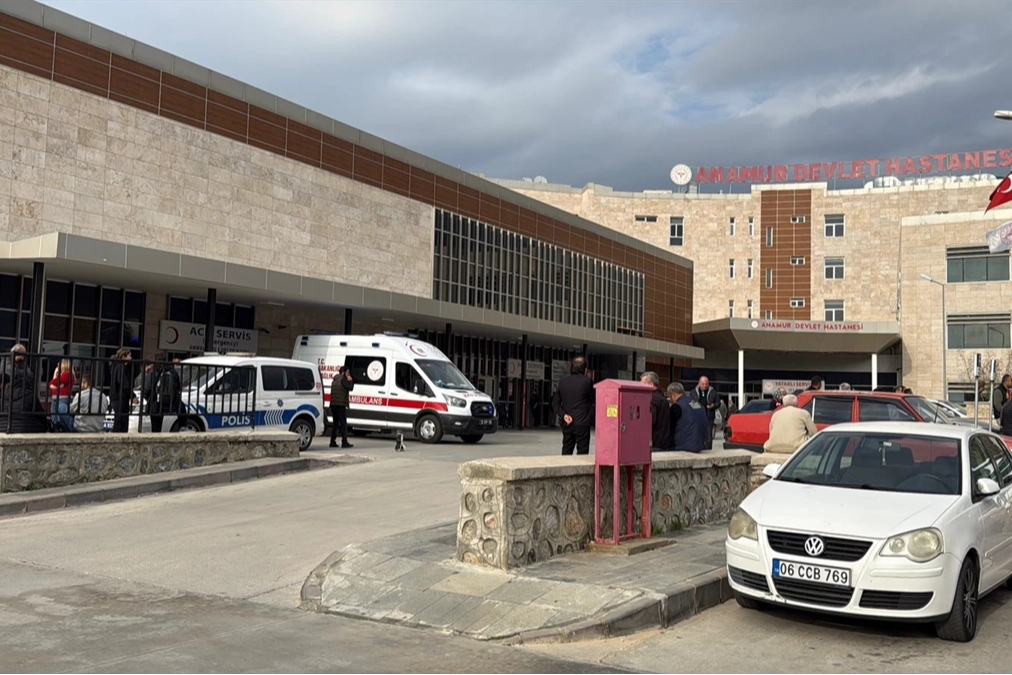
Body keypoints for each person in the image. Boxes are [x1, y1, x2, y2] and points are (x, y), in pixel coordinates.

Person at [551, 356, 594, 455]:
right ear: (585, 369)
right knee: (582, 453)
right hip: (582, 423)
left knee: (566, 450)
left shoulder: (563, 381)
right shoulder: (587, 381)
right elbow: (593, 399)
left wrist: (564, 415)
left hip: (567, 422)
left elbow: (555, 403)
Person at [0, 344, 46, 433]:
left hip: (22, 390)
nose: (24, 357)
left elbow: (30, 375)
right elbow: (11, 373)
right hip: (9, 390)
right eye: (23, 354)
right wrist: (22, 374)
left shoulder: (22, 362)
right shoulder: (6, 360)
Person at [667, 382, 707, 452]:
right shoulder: (699, 404)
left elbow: (670, 427)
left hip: (683, 446)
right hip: (700, 445)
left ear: (673, 395)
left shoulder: (677, 406)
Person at [640, 371, 670, 452]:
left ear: (650, 384)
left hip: (654, 441)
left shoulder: (651, 399)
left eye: (643, 383)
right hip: (663, 441)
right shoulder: (663, 398)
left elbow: (650, 420)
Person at [109, 348, 135, 433]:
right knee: (121, 422)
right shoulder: (121, 367)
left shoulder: (115, 366)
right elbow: (124, 384)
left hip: (116, 398)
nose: (131, 357)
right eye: (129, 355)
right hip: (121, 398)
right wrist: (132, 396)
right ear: (123, 356)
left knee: (119, 420)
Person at [329, 365, 354, 448]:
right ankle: (344, 442)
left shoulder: (335, 380)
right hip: (340, 404)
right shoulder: (343, 380)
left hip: (333, 404)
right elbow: (350, 387)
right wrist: (351, 381)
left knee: (335, 423)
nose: (348, 374)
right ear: (343, 372)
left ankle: (332, 441)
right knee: (343, 424)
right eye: (347, 372)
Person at [690, 376, 718, 449]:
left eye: (706, 384)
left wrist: (713, 405)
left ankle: (708, 449)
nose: (704, 386)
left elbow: (718, 403)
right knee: (697, 433)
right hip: (697, 417)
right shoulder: (693, 392)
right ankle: (698, 447)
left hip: (709, 416)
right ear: (699, 383)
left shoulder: (713, 392)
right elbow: (690, 402)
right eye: (703, 384)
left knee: (708, 434)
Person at [48, 358, 76, 431]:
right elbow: (51, 384)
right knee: (55, 418)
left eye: (60, 364)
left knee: (62, 416)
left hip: (63, 398)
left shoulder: (68, 374)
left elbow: (54, 382)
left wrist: (55, 385)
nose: (58, 365)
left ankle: (71, 429)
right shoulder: (61, 374)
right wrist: (57, 386)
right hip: (56, 398)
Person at [153, 361, 181, 433]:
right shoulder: (173, 373)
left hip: (157, 403)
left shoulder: (156, 373)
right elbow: (178, 387)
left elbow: (149, 388)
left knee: (156, 427)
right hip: (170, 403)